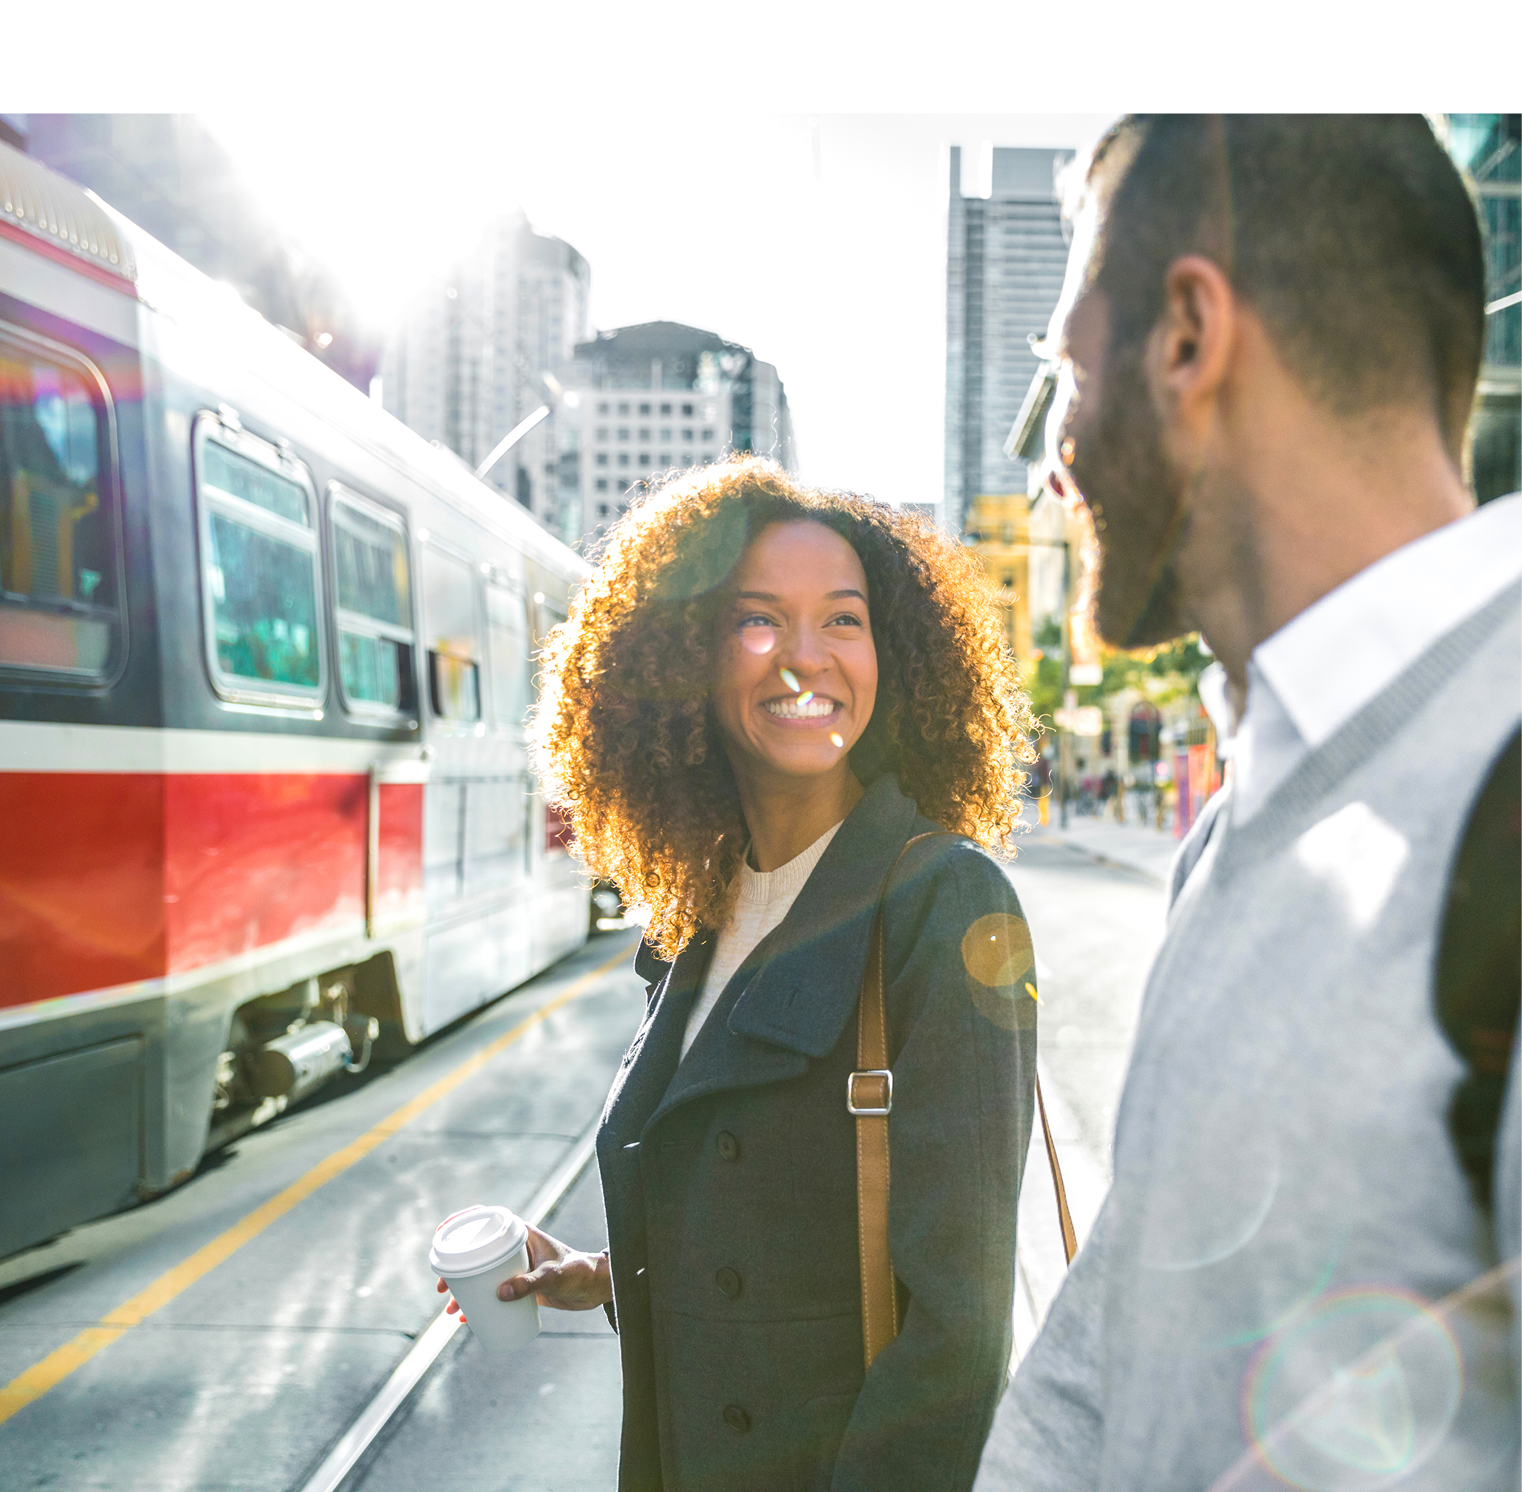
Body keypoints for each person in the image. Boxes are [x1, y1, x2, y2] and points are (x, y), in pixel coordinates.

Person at [1002, 115, 1522, 1488]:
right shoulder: (1241, 818)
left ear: (1186, 335)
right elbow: (1109, 1350)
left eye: (1065, 370)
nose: (1053, 461)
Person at [443, 460, 1040, 1491]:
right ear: (689, 663)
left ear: (890, 656)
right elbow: (774, 1239)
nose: (805, 657)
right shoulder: (697, 910)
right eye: (757, 620)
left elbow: (958, 1334)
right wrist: (612, 1275)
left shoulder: (945, 902)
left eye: (842, 621)